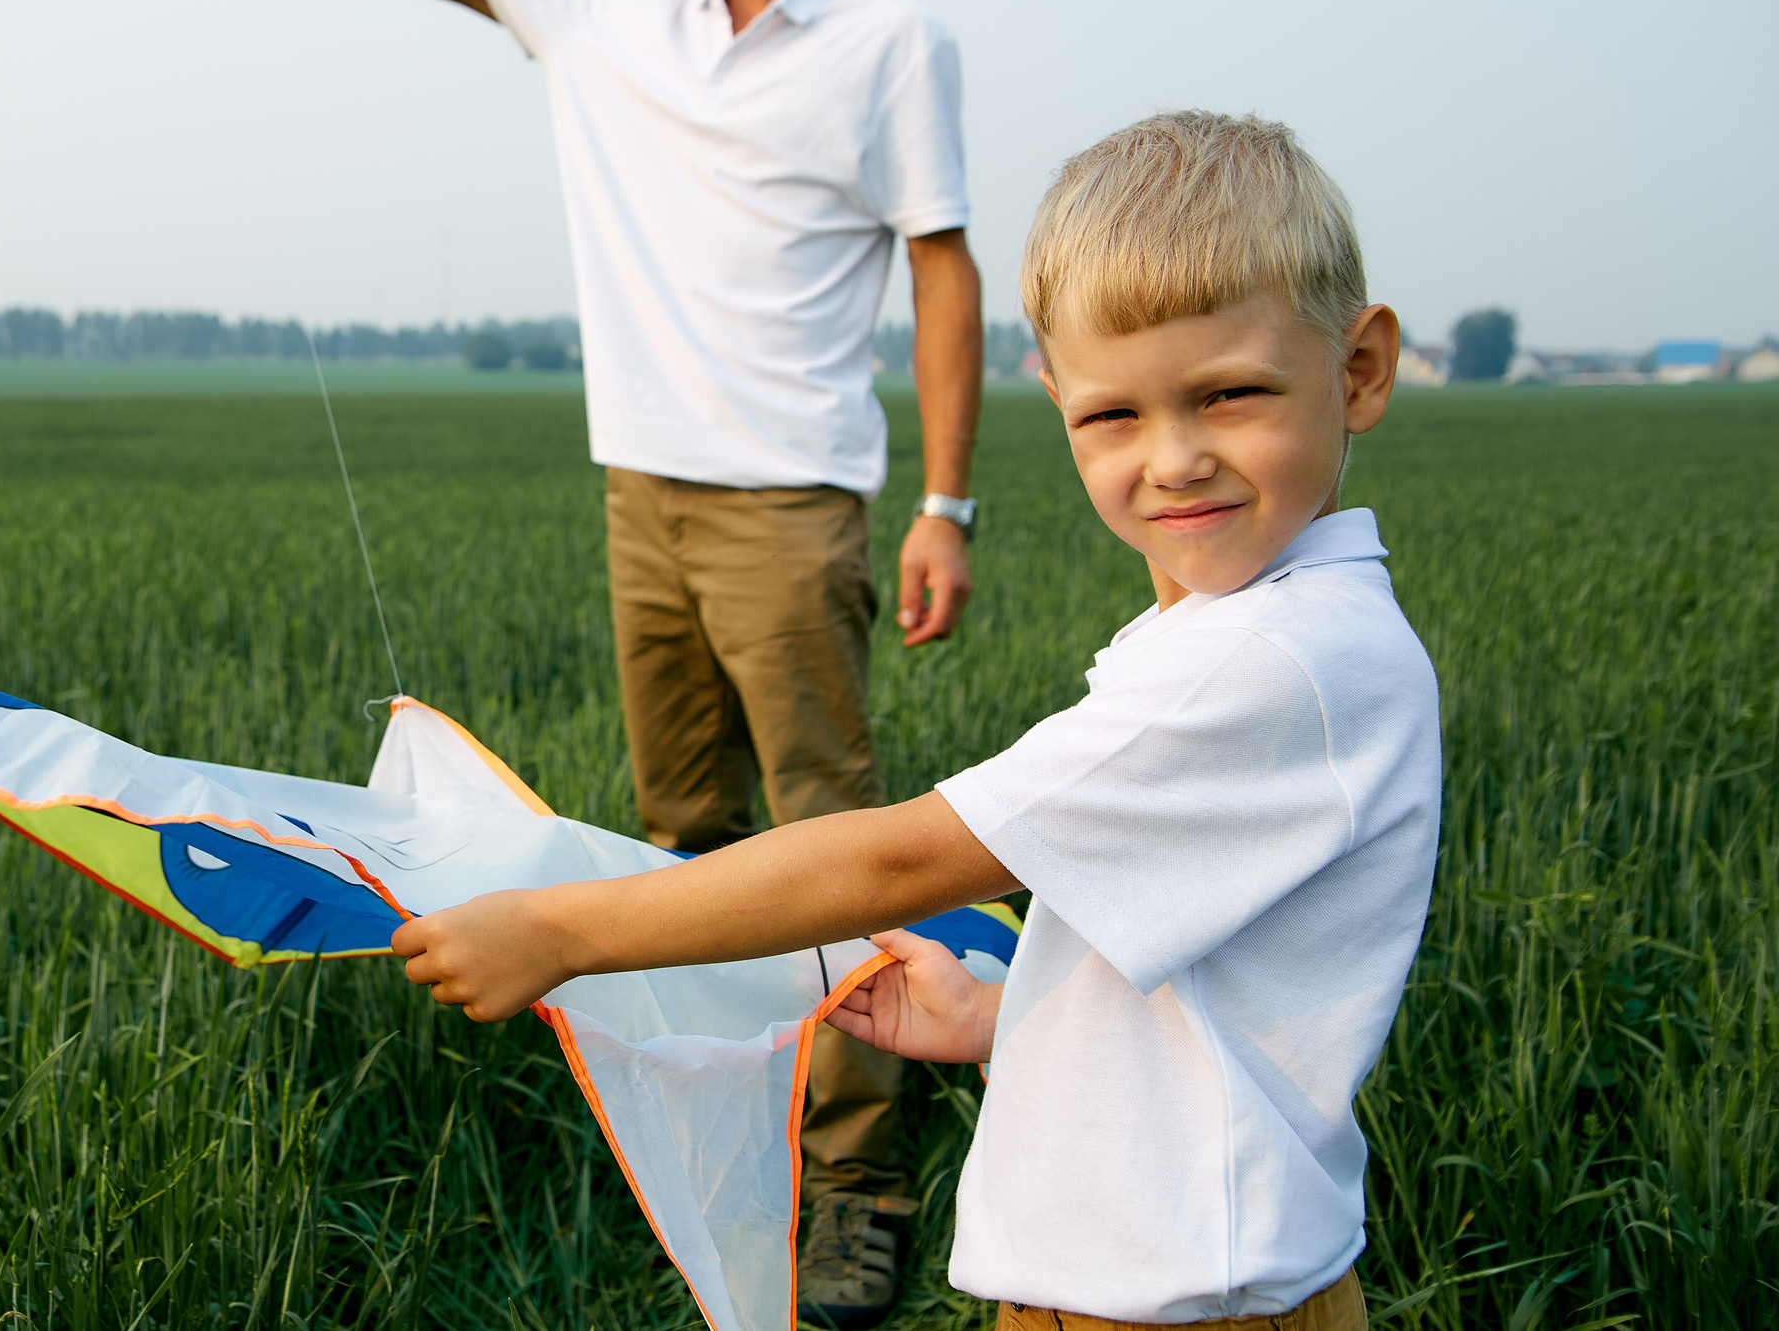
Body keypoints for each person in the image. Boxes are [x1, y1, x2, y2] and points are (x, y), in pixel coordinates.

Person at [158, 0, 982, 1321]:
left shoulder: (887, 43)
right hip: (642, 499)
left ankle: (859, 1180)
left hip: (793, 505)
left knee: (836, 844)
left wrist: (946, 500)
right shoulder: (608, 14)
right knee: (682, 843)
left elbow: (942, 265)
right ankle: (717, 1122)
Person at [391, 113, 1437, 1330]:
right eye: (1113, 417)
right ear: (1052, 400)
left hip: (1178, 1304)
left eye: (1231, 395)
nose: (1175, 460)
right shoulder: (1253, 635)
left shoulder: (1273, 663)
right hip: (1142, 1274)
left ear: (1358, 370)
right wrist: (1010, 1019)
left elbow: (899, 855)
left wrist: (562, 930)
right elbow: (1224, 1008)